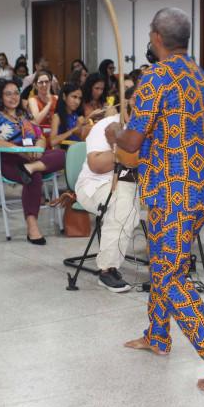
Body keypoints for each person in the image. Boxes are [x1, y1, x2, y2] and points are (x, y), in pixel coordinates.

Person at [106, 7, 204, 390]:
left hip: (171, 194)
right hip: (202, 190)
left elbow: (132, 141)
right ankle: (158, 336)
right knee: (165, 262)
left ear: (156, 38)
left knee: (170, 275)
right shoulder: (200, 77)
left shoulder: (156, 77)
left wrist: (116, 132)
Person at [0, 79, 65, 244]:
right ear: (0, 97)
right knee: (34, 176)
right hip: (2, 157)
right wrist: (19, 150)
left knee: (62, 154)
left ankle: (31, 167)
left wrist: (37, 150)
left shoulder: (24, 114)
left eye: (16, 93)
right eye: (8, 94)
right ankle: (32, 226)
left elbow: (40, 136)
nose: (13, 97)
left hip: (29, 157)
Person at [75, 85, 140, 292]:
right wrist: (118, 146)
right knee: (124, 204)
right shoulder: (107, 125)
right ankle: (107, 270)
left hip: (134, 187)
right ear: (129, 103)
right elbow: (96, 165)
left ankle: (168, 266)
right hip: (95, 185)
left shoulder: (151, 129)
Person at [50, 83, 90, 147]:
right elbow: (52, 142)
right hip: (65, 153)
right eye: (74, 97)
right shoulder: (57, 117)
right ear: (64, 96)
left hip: (79, 151)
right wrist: (73, 130)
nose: (77, 102)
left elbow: (82, 140)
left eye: (79, 98)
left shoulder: (78, 117)